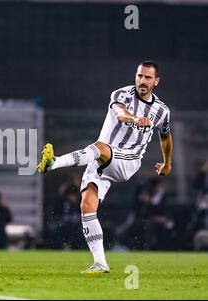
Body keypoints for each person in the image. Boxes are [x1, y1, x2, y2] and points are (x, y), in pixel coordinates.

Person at [37, 61, 173, 274]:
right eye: (139, 76)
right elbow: (120, 113)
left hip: (128, 161)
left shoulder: (162, 111)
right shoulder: (121, 94)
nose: (142, 81)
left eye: (148, 78)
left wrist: (167, 163)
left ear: (156, 81)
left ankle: (53, 163)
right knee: (87, 206)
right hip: (102, 160)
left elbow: (165, 136)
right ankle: (100, 263)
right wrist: (135, 118)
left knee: (99, 147)